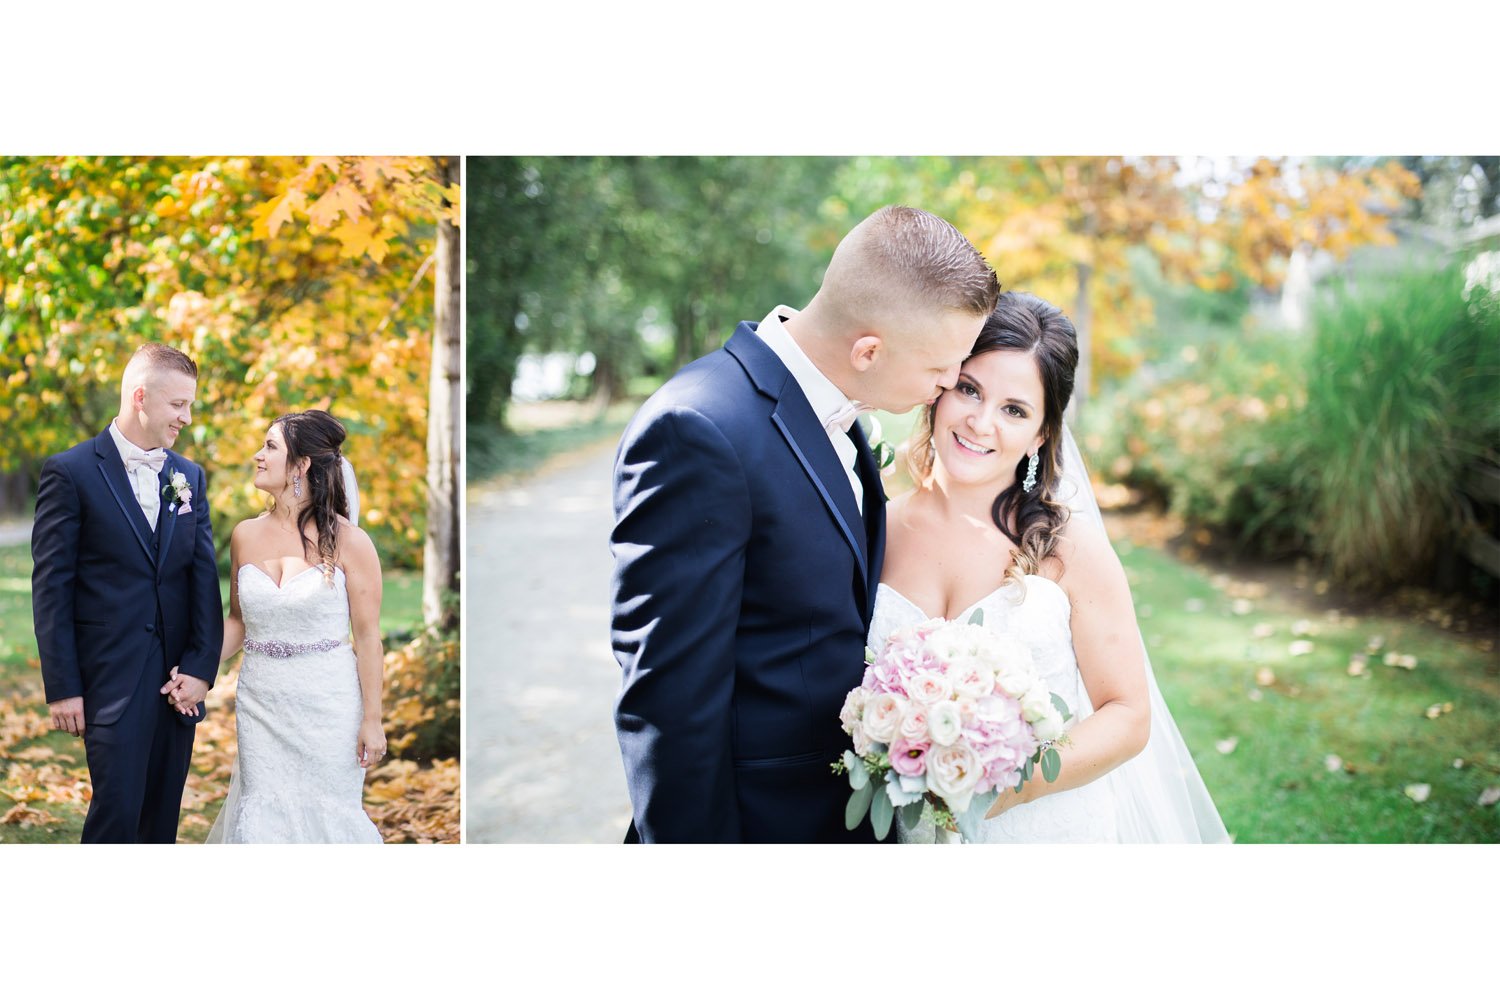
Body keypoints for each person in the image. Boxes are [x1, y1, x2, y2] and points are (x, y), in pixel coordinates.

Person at [610, 205, 1002, 842]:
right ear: (868, 350)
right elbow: (668, 700)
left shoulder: (844, 411)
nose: (951, 383)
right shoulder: (699, 427)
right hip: (757, 822)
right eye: (941, 368)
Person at [870, 291, 1229, 842]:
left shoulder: (1069, 551)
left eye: (1014, 410)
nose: (981, 422)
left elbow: (1128, 714)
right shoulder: (875, 532)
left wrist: (1006, 783)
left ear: (1041, 433)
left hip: (1041, 831)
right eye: (970, 389)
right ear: (940, 388)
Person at [32, 343, 223, 843]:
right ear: (141, 396)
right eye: (178, 404)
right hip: (110, 682)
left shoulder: (189, 478)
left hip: (177, 686)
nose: (186, 418)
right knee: (115, 817)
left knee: (162, 822)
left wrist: (202, 669)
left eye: (190, 405)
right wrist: (63, 687)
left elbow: (202, 578)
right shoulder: (70, 472)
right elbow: (52, 587)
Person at [204, 409, 384, 843]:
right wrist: (196, 667)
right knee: (262, 816)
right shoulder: (244, 536)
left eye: (270, 447)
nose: (257, 456)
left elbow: (368, 637)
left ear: (301, 465)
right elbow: (238, 623)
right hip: (260, 704)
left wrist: (373, 719)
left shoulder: (350, 542)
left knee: (328, 819)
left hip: (329, 707)